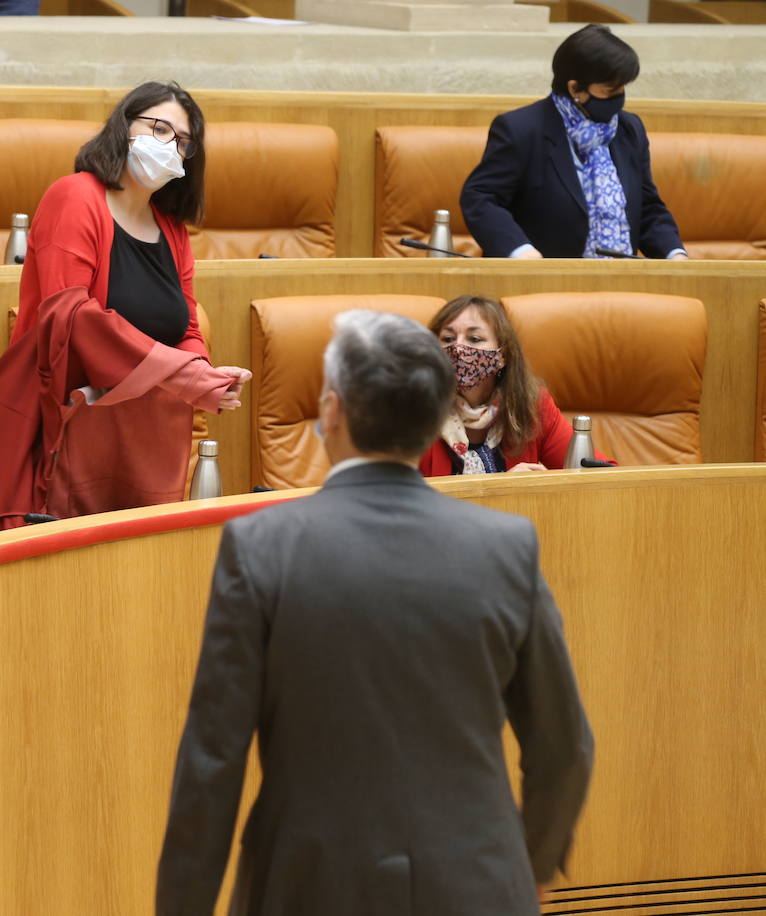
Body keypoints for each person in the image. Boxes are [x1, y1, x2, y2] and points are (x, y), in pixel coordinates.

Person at [156, 310, 594, 915]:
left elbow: (212, 763)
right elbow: (564, 748)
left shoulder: (260, 548)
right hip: (480, 885)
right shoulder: (507, 549)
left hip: (309, 887)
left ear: (332, 412)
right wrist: (535, 865)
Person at [0, 81, 251, 532]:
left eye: (183, 142)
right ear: (124, 126)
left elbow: (183, 322)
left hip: (147, 435)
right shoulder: (74, 196)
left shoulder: (171, 228)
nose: (170, 146)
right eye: (159, 128)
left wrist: (208, 375)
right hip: (67, 426)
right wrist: (185, 376)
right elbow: (71, 316)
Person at [461, 25, 687, 261]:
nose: (619, 96)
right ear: (575, 88)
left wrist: (674, 253)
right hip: (543, 281)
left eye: (622, 88)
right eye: (610, 90)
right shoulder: (521, 129)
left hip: (622, 280)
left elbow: (647, 207)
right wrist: (520, 251)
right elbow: (480, 198)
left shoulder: (629, 129)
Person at [420, 295, 611, 475]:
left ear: (502, 355)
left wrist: (547, 486)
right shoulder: (413, 410)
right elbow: (399, 498)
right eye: (447, 339)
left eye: (474, 339)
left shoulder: (532, 406)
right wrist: (502, 490)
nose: (458, 349)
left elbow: (602, 476)